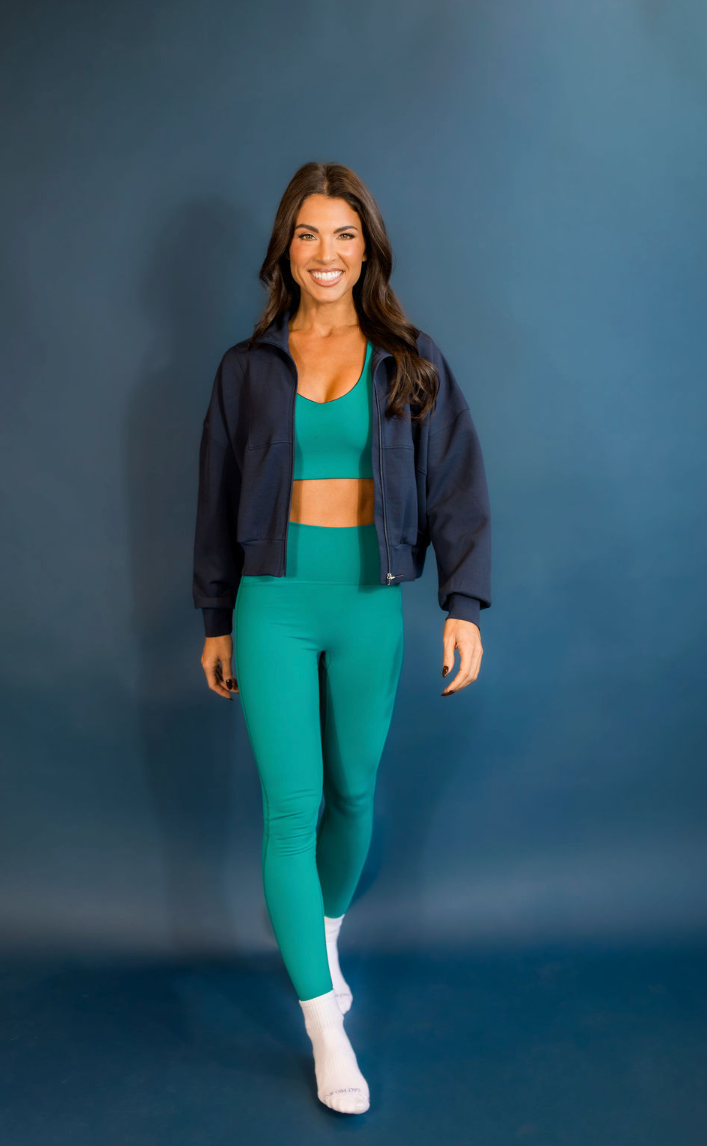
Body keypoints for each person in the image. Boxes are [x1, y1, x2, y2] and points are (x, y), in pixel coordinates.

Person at [192, 161, 491, 1114]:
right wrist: (215, 616)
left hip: (369, 601)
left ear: (369, 250)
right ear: (287, 247)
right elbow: (215, 499)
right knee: (293, 806)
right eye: (310, 234)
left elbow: (456, 482)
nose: (327, 253)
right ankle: (325, 1024)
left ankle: (319, 938)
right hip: (273, 603)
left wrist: (463, 604)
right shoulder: (247, 367)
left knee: (352, 793)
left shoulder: (409, 357)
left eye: (346, 235)